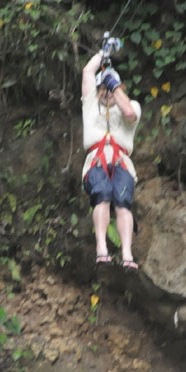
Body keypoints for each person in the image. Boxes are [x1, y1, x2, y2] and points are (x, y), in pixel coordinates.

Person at [81, 51, 141, 269]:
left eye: (110, 90)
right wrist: (102, 53)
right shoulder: (90, 105)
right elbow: (87, 71)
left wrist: (114, 85)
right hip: (96, 161)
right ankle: (101, 249)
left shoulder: (132, 106)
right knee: (103, 195)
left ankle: (127, 254)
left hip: (121, 162)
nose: (107, 94)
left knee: (123, 203)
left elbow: (128, 112)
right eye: (103, 89)